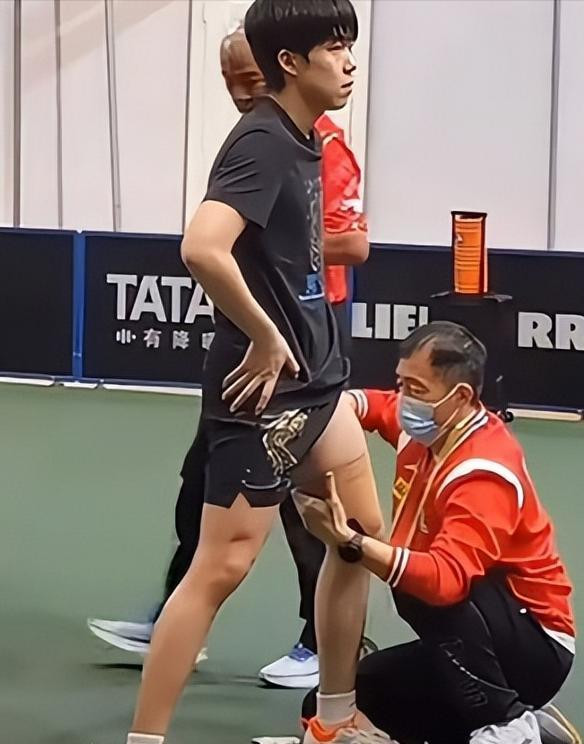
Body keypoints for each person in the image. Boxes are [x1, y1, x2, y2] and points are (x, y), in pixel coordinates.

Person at [125, 3, 392, 744]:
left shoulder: (308, 139)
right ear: (290, 63)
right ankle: (144, 738)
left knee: (358, 537)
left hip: (318, 385)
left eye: (349, 45)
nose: (349, 61)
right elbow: (202, 247)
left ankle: (333, 722)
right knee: (220, 567)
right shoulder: (263, 142)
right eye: (333, 47)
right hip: (267, 394)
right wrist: (265, 335)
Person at [295, 321, 580, 744]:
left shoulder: (483, 471)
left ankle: (508, 724)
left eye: (416, 389)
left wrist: (351, 542)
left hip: (534, 648)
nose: (404, 399)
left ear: (461, 397)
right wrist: (332, 409)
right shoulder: (428, 427)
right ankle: (534, 727)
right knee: (337, 702)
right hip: (473, 644)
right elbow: (373, 406)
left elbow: (445, 582)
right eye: (402, 383)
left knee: (420, 587)